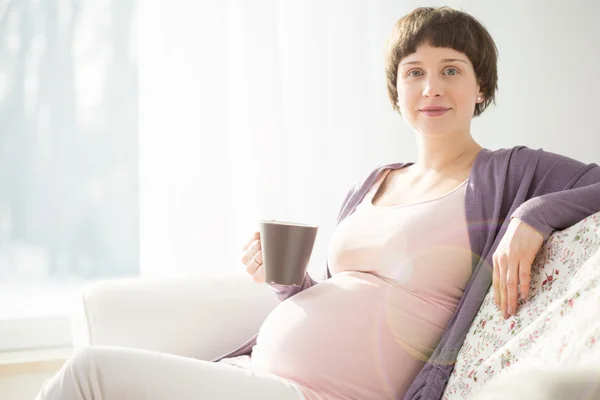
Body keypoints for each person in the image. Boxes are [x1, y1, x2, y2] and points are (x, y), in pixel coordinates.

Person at [36, 6, 600, 400]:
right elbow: (341, 298)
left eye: (451, 70)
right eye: (415, 73)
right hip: (259, 372)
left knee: (89, 374)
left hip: (315, 394)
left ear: (481, 87)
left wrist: (534, 214)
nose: (431, 88)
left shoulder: (509, 171)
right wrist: (286, 284)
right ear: (395, 91)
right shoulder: (374, 181)